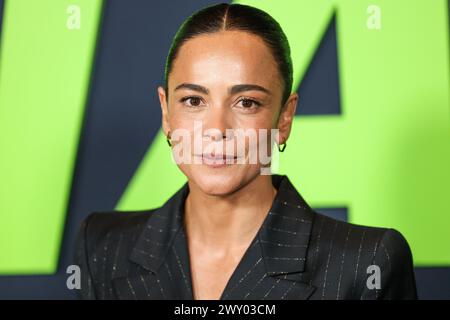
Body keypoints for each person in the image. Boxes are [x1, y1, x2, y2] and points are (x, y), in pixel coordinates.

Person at [74, 3, 417, 300]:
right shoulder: (102, 247)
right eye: (194, 100)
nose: (217, 129)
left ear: (285, 117)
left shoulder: (367, 262)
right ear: (166, 113)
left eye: (247, 102)